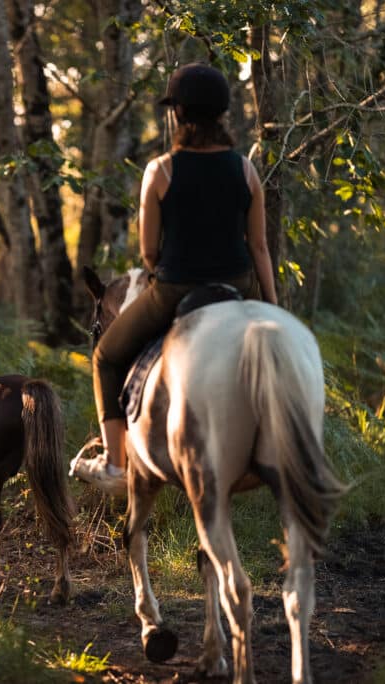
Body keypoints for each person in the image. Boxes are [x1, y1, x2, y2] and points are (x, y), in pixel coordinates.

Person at [72, 62, 278, 496]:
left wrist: (163, 267)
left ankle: (114, 462)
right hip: (237, 288)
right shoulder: (246, 170)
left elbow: (148, 252)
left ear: (179, 114)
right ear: (221, 114)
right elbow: (259, 248)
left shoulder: (160, 171)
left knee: (106, 358)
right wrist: (273, 307)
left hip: (176, 288)